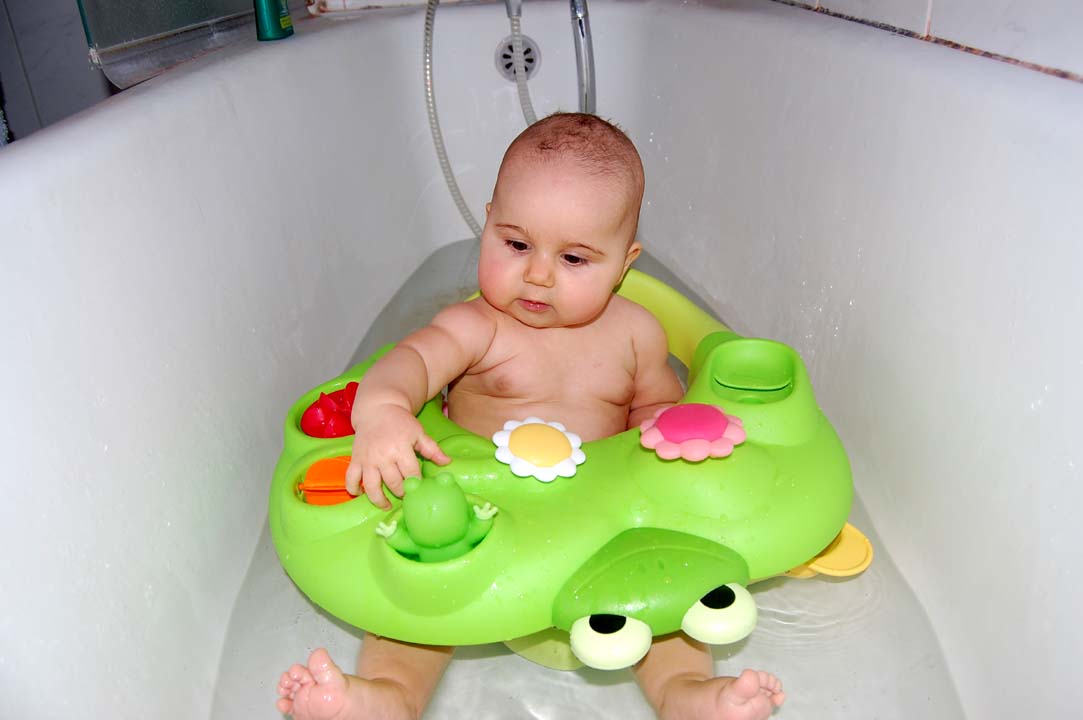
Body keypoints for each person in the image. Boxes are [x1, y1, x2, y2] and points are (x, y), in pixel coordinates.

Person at [276, 113, 785, 720]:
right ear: (488, 222)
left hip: (596, 526)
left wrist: (669, 444)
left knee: (669, 599)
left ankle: (686, 695)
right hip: (482, 522)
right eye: (516, 245)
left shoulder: (637, 335)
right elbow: (410, 361)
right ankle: (391, 696)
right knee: (415, 599)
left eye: (573, 258)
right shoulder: (477, 328)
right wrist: (384, 411)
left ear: (625, 263)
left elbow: (657, 411)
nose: (538, 274)